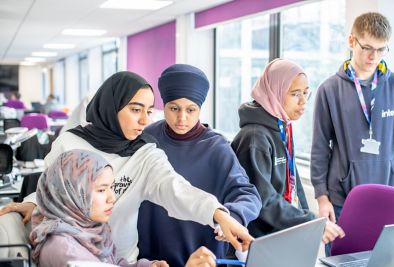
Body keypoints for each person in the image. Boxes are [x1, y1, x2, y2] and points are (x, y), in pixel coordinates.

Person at [0, 71, 253, 264]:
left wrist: (219, 215)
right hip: (75, 254)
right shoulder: (71, 142)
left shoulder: (144, 151)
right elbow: (53, 185)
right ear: (112, 106)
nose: (145, 120)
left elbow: (176, 189)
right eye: (135, 110)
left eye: (148, 111)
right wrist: (33, 202)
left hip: (122, 258)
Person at [137, 64, 261, 267]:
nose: (182, 118)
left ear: (200, 109)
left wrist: (231, 216)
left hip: (201, 255)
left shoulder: (216, 146)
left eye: (191, 110)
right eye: (174, 108)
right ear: (164, 106)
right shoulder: (146, 138)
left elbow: (247, 193)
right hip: (151, 255)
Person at [311, 12, 394, 255]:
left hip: (387, 198)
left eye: (382, 50)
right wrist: (322, 198)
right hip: (343, 202)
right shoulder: (329, 90)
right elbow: (320, 148)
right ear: (352, 41)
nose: (374, 57)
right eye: (368, 47)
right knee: (342, 260)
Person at [230, 58, 345, 243]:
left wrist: (310, 223)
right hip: (257, 241)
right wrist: (309, 221)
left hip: (281, 234)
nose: (303, 102)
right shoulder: (254, 138)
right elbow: (263, 200)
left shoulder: (281, 127)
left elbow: (294, 183)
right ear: (274, 93)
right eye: (295, 94)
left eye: (306, 93)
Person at [30, 149, 167, 267]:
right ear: (71, 193)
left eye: (111, 187)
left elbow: (111, 263)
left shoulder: (88, 229)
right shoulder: (63, 248)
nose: (112, 198)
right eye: (102, 190)